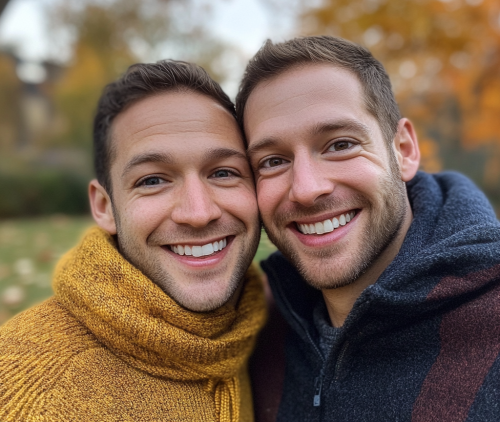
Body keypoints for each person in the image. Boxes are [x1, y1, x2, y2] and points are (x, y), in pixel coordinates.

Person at [238, 36, 500, 422]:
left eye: (340, 144)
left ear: (404, 149)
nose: (308, 189)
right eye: (273, 161)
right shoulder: (257, 332)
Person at [0, 60, 266, 422]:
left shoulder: (267, 325)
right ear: (104, 206)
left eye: (223, 172)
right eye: (153, 180)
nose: (199, 212)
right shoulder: (26, 390)